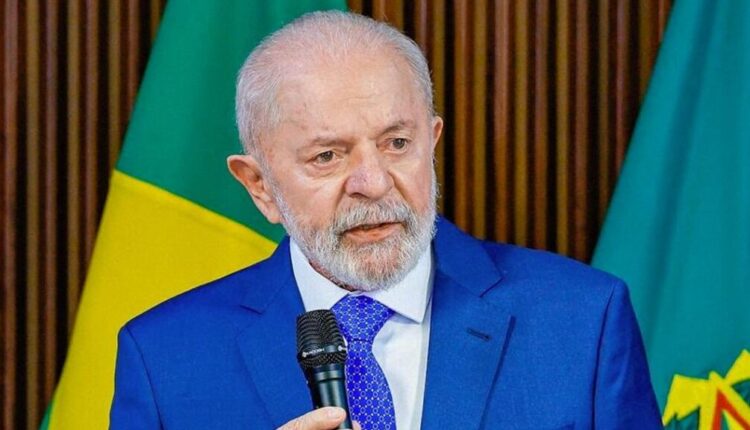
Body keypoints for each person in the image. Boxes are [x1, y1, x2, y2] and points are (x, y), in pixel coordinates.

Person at [110, 10, 662, 430]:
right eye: (328, 156)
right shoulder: (165, 358)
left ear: (432, 142)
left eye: (397, 143)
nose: (373, 183)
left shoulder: (581, 321)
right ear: (260, 186)